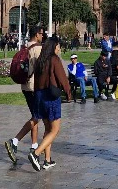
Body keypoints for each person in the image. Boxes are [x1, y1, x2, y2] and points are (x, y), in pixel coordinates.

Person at [28, 36, 71, 171]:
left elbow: (36, 80)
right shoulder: (54, 59)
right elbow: (62, 78)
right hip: (50, 96)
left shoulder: (41, 60)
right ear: (54, 46)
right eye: (58, 46)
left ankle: (47, 160)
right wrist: (68, 93)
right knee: (55, 129)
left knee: (47, 128)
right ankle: (36, 153)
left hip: (39, 94)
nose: (59, 49)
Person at [5, 25, 44, 164]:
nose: (42, 36)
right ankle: (14, 141)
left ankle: (34, 146)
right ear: (36, 35)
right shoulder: (38, 49)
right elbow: (41, 68)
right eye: (41, 33)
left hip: (25, 86)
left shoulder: (25, 47)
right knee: (37, 116)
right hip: (35, 86)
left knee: (35, 115)